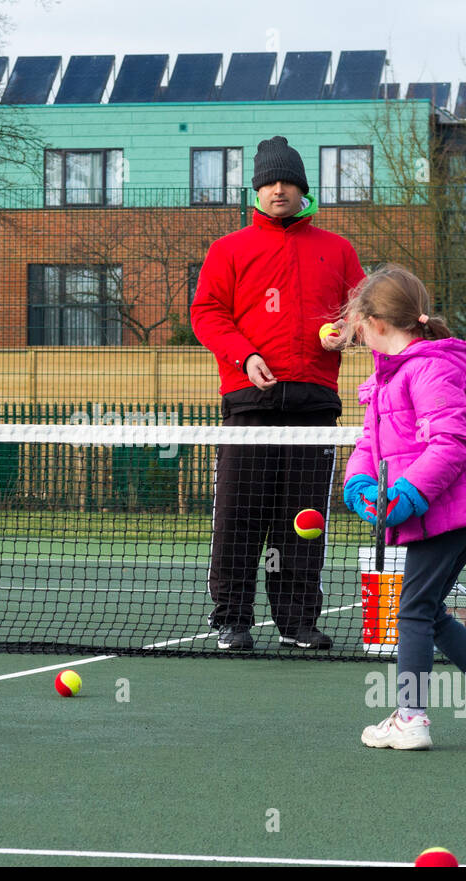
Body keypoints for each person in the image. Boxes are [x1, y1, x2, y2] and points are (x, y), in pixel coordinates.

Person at [340, 263, 466, 750]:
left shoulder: (429, 368)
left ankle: (411, 717)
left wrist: (406, 496)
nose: (355, 333)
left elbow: (450, 444)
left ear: (376, 323)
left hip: (448, 510)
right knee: (426, 608)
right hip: (444, 511)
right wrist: (359, 483)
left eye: (358, 323)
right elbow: (370, 444)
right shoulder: (390, 377)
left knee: (412, 612)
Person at [191, 136, 365, 651]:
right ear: (256, 190)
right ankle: (231, 619)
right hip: (250, 404)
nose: (277, 189)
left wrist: (347, 329)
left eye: (287, 181)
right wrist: (245, 356)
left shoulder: (337, 249)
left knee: (304, 519)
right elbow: (206, 314)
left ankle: (297, 622)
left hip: (314, 406)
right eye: (268, 181)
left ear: (302, 188)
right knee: (240, 513)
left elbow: (360, 309)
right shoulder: (229, 249)